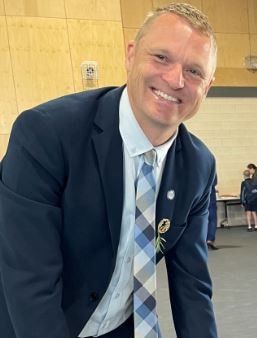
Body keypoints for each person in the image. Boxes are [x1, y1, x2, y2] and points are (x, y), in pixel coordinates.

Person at [0, 3, 219, 338]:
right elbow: (30, 284)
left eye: (194, 71)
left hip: (121, 327)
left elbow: (192, 287)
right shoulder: (46, 135)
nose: (175, 80)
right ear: (131, 55)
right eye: (161, 57)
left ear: (208, 86)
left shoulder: (199, 166)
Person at [206, 179, 219, 250]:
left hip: (198, 197)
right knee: (212, 219)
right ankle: (210, 239)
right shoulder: (211, 168)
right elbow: (215, 182)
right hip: (210, 196)